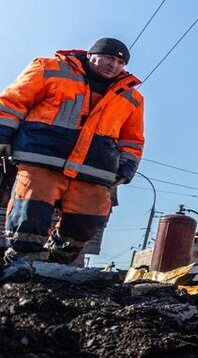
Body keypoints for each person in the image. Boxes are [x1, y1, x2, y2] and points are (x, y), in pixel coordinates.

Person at [0, 38, 144, 275]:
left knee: (87, 221)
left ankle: (56, 264)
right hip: (43, 158)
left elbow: (133, 139)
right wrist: (3, 135)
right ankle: (21, 266)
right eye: (108, 57)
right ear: (91, 55)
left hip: (94, 170)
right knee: (30, 215)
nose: (113, 65)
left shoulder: (133, 98)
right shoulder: (50, 69)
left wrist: (126, 168)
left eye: (120, 62)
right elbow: (13, 101)